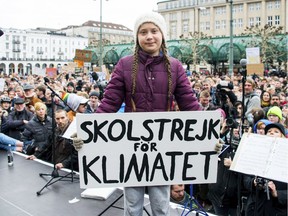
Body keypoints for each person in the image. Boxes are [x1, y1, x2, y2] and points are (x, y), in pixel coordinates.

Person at [93, 12, 201, 216]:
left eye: (154, 31)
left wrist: (209, 130)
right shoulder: (124, 65)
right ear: (137, 37)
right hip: (132, 146)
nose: (149, 36)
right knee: (133, 205)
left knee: (161, 205)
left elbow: (190, 104)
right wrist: (87, 130)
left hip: (162, 146)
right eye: (143, 32)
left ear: (162, 35)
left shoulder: (175, 66)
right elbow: (109, 103)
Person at [243, 123, 287, 216]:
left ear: (283, 137)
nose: (271, 133)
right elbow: (246, 179)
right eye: (269, 132)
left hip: (276, 211)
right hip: (255, 209)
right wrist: (253, 183)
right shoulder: (257, 155)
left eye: (276, 132)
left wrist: (277, 193)